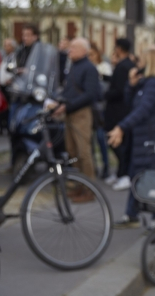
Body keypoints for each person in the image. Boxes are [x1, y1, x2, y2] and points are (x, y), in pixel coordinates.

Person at [107, 49, 155, 228]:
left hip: (153, 139)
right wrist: (131, 85)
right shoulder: (145, 84)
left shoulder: (154, 85)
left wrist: (121, 126)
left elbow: (143, 111)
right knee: (136, 176)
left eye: (139, 61)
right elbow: (131, 105)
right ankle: (132, 215)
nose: (136, 64)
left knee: (153, 178)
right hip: (143, 139)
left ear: (148, 62)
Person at [54, 38, 101, 202]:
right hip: (70, 113)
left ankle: (90, 190)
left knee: (83, 153)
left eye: (73, 47)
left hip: (81, 114)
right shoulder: (74, 66)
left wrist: (67, 106)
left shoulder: (89, 68)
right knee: (73, 152)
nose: (70, 50)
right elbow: (69, 90)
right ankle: (80, 186)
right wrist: (59, 103)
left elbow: (90, 94)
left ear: (84, 50)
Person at [103, 39, 135, 189]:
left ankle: (124, 174)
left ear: (119, 49)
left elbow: (119, 89)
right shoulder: (126, 65)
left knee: (117, 143)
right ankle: (120, 173)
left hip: (117, 112)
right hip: (122, 111)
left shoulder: (123, 66)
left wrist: (104, 94)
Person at [88, 42, 112, 179]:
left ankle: (106, 166)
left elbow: (105, 88)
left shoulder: (104, 67)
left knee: (101, 138)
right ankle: (94, 167)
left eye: (92, 54)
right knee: (89, 140)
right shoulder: (88, 68)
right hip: (89, 108)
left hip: (100, 109)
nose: (90, 57)